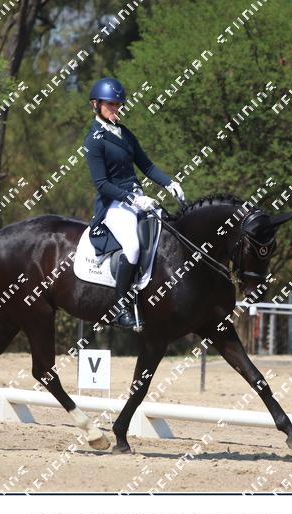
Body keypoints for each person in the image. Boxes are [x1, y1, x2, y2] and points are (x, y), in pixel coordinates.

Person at [83, 77, 185, 329]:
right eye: (110, 104)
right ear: (95, 105)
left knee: (167, 234)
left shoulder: (124, 133)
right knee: (132, 247)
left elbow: (147, 166)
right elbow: (102, 184)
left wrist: (170, 183)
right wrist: (132, 198)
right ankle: (120, 308)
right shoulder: (94, 140)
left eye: (118, 104)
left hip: (138, 199)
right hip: (113, 204)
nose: (116, 108)